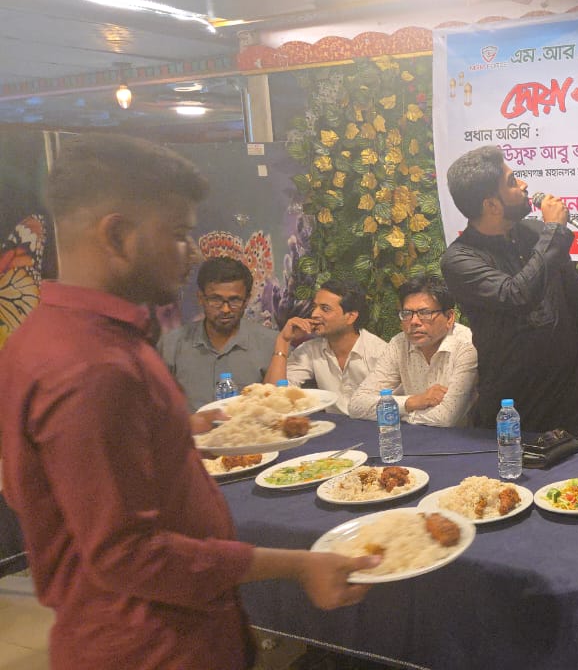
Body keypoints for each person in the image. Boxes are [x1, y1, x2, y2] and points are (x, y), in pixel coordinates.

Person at [0, 134, 376, 670]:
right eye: (178, 234)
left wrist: (184, 429)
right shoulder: (91, 365)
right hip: (152, 645)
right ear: (117, 234)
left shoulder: (51, 335)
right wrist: (298, 563)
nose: (194, 252)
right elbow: (130, 555)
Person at [440, 145, 578, 435]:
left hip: (572, 393)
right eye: (511, 182)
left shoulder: (536, 234)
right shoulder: (460, 260)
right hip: (517, 404)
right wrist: (555, 231)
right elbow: (516, 295)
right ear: (491, 205)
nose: (523, 185)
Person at [350, 276, 478, 426]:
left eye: (425, 313)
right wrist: (412, 402)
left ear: (449, 317)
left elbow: (446, 418)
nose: (414, 322)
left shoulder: (467, 345)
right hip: (412, 435)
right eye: (406, 314)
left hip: (458, 438)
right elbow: (356, 405)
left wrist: (395, 415)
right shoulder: (399, 343)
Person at [157, 256, 277, 410]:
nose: (225, 309)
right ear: (201, 298)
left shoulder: (270, 345)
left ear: (247, 300)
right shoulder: (171, 346)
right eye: (216, 300)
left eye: (234, 300)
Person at [264, 278, 389, 415]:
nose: (314, 314)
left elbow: (393, 406)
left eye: (325, 309)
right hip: (332, 426)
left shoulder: (379, 352)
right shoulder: (311, 350)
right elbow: (273, 399)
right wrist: (283, 341)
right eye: (315, 307)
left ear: (351, 317)